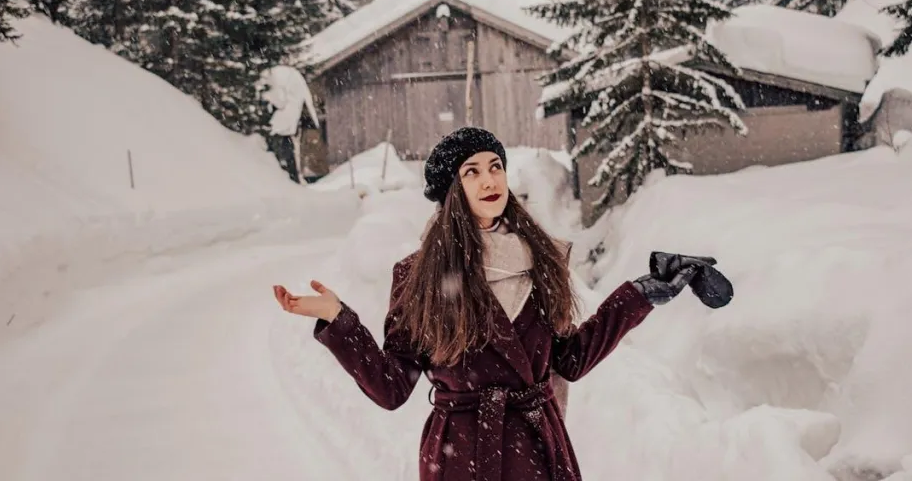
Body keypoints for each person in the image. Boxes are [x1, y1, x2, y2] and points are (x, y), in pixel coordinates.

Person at [272, 126, 722, 481]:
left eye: (495, 167)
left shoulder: (542, 259)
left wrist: (642, 292)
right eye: (472, 171)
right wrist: (337, 319)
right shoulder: (420, 275)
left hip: (539, 446)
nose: (489, 180)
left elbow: (570, 358)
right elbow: (392, 386)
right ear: (453, 189)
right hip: (461, 454)